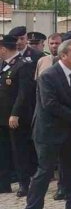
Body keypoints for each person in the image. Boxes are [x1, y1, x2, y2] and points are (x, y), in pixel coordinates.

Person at [23, 39, 71, 209]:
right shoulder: (48, 76)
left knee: (70, 167)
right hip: (47, 131)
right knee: (45, 171)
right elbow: (50, 104)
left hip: (67, 130)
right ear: (64, 55)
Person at [0, 34, 37, 196]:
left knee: (19, 150)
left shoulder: (23, 65)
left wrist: (15, 113)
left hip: (16, 117)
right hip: (2, 117)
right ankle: (4, 183)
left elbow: (24, 93)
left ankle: (24, 183)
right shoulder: (3, 66)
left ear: (3, 49)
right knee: (3, 150)